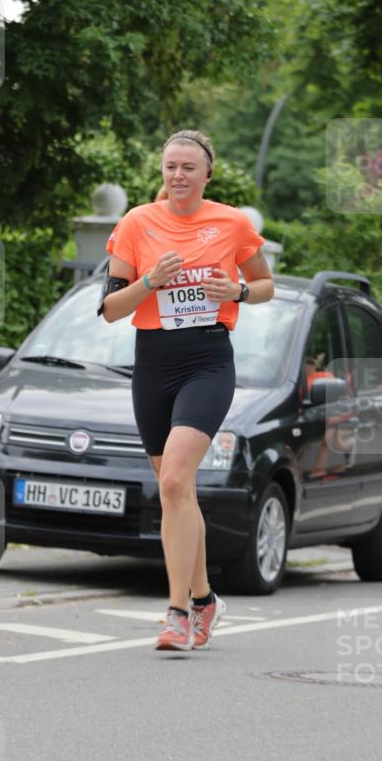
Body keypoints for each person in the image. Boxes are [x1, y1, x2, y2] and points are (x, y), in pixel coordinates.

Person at [98, 129, 274, 651]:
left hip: (207, 361)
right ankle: (204, 599)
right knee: (178, 490)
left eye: (188, 167)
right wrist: (149, 281)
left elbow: (265, 285)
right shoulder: (136, 223)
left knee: (174, 480)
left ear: (207, 175)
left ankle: (176, 613)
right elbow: (110, 309)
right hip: (153, 363)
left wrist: (237, 290)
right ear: (162, 171)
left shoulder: (231, 223)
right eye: (170, 166)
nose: (178, 175)